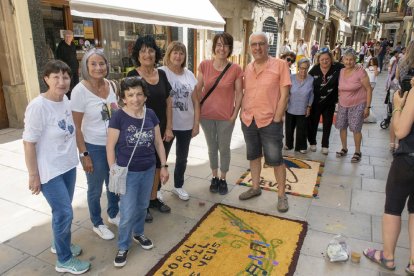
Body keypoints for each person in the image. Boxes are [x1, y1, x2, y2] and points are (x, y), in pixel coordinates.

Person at [23, 60, 90, 274]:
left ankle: (59, 243)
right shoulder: (38, 106)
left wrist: (82, 154)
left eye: (65, 77)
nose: (62, 82)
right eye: (56, 77)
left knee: (62, 211)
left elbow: (74, 131)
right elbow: (28, 142)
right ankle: (64, 259)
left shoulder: (66, 102)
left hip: (67, 166)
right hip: (49, 170)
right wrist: (34, 175)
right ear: (46, 79)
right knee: (64, 212)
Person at [107, 77, 169, 268]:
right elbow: (110, 146)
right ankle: (123, 245)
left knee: (142, 206)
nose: (135, 98)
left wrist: (164, 166)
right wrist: (113, 171)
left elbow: (159, 142)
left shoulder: (150, 115)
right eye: (130, 95)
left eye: (139, 94)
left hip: (148, 169)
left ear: (144, 95)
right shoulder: (118, 116)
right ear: (124, 98)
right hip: (128, 173)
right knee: (126, 211)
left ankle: (138, 233)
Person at [363, 78, 414, 274]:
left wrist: (398, 106)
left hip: (408, 159)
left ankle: (388, 256)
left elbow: (400, 130)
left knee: (393, 208)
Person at [238, 32, 291, 213]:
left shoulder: (280, 65)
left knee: (275, 160)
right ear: (250, 48)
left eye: (261, 44)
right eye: (254, 44)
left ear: (268, 46)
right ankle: (255, 187)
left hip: (270, 121)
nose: (257, 48)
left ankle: (281, 195)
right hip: (249, 119)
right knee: (253, 156)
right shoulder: (248, 68)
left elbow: (285, 95)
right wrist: (242, 113)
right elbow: (245, 92)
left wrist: (277, 118)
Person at [71, 48, 120, 240]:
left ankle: (114, 213)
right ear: (85, 66)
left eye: (102, 63)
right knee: (95, 187)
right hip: (94, 147)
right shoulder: (79, 91)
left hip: (114, 145)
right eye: (93, 64)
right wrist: (84, 154)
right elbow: (76, 127)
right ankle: (97, 223)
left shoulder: (112, 86)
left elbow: (116, 114)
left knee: (114, 181)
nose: (98, 67)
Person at [128, 35, 174, 221]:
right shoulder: (132, 75)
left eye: (151, 50)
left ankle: (153, 198)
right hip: (141, 132)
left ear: (156, 54)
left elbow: (168, 102)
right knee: (143, 168)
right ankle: (142, 204)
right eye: (143, 51)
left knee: (157, 166)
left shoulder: (161, 74)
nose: (147, 54)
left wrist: (169, 127)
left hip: (162, 129)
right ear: (138, 55)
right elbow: (128, 105)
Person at [196, 32, 243, 195]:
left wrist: (234, 115)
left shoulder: (236, 69)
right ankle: (214, 177)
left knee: (224, 148)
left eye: (225, 45)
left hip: (225, 117)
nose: (222, 48)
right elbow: (197, 89)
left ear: (230, 48)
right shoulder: (204, 65)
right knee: (211, 147)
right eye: (219, 44)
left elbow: (239, 93)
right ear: (214, 47)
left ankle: (223, 178)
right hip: (206, 115)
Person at [159, 41, 200, 200]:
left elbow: (196, 101)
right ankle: (157, 189)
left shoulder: (189, 74)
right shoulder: (161, 72)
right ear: (169, 54)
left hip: (186, 124)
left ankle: (178, 186)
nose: (178, 56)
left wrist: (196, 124)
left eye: (181, 53)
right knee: (161, 158)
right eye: (175, 52)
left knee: (182, 157)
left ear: (184, 57)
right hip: (166, 124)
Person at [335, 49, 372, 163]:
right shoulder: (341, 71)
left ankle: (357, 151)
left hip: (358, 104)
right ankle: (344, 148)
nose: (348, 62)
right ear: (343, 59)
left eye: (351, 59)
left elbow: (369, 89)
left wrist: (368, 107)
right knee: (342, 126)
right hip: (343, 104)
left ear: (355, 60)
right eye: (346, 59)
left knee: (356, 128)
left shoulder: (360, 71)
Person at [307, 47, 344, 155]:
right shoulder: (314, 69)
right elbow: (307, 82)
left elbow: (349, 68)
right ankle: (312, 143)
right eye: (322, 59)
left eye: (327, 59)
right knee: (313, 123)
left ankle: (325, 145)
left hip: (330, 102)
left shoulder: (337, 67)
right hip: (315, 102)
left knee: (327, 124)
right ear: (318, 60)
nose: (324, 61)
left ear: (331, 59)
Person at [284, 58, 314, 153]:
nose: (303, 70)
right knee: (289, 128)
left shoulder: (311, 79)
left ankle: (301, 146)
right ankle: (289, 144)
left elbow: (311, 94)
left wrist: (309, 107)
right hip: (291, 107)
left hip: (303, 108)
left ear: (308, 68)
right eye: (301, 68)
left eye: (306, 68)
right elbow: (286, 92)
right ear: (298, 68)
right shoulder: (291, 77)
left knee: (302, 129)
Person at [55, 30, 79, 99]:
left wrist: (77, 65)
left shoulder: (73, 44)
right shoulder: (61, 46)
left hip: (74, 69)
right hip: (67, 70)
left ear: (72, 37)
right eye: (67, 36)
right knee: (68, 86)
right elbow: (58, 59)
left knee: (76, 85)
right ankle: (68, 100)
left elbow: (75, 56)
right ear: (64, 37)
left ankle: (76, 98)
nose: (68, 38)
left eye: (70, 36)